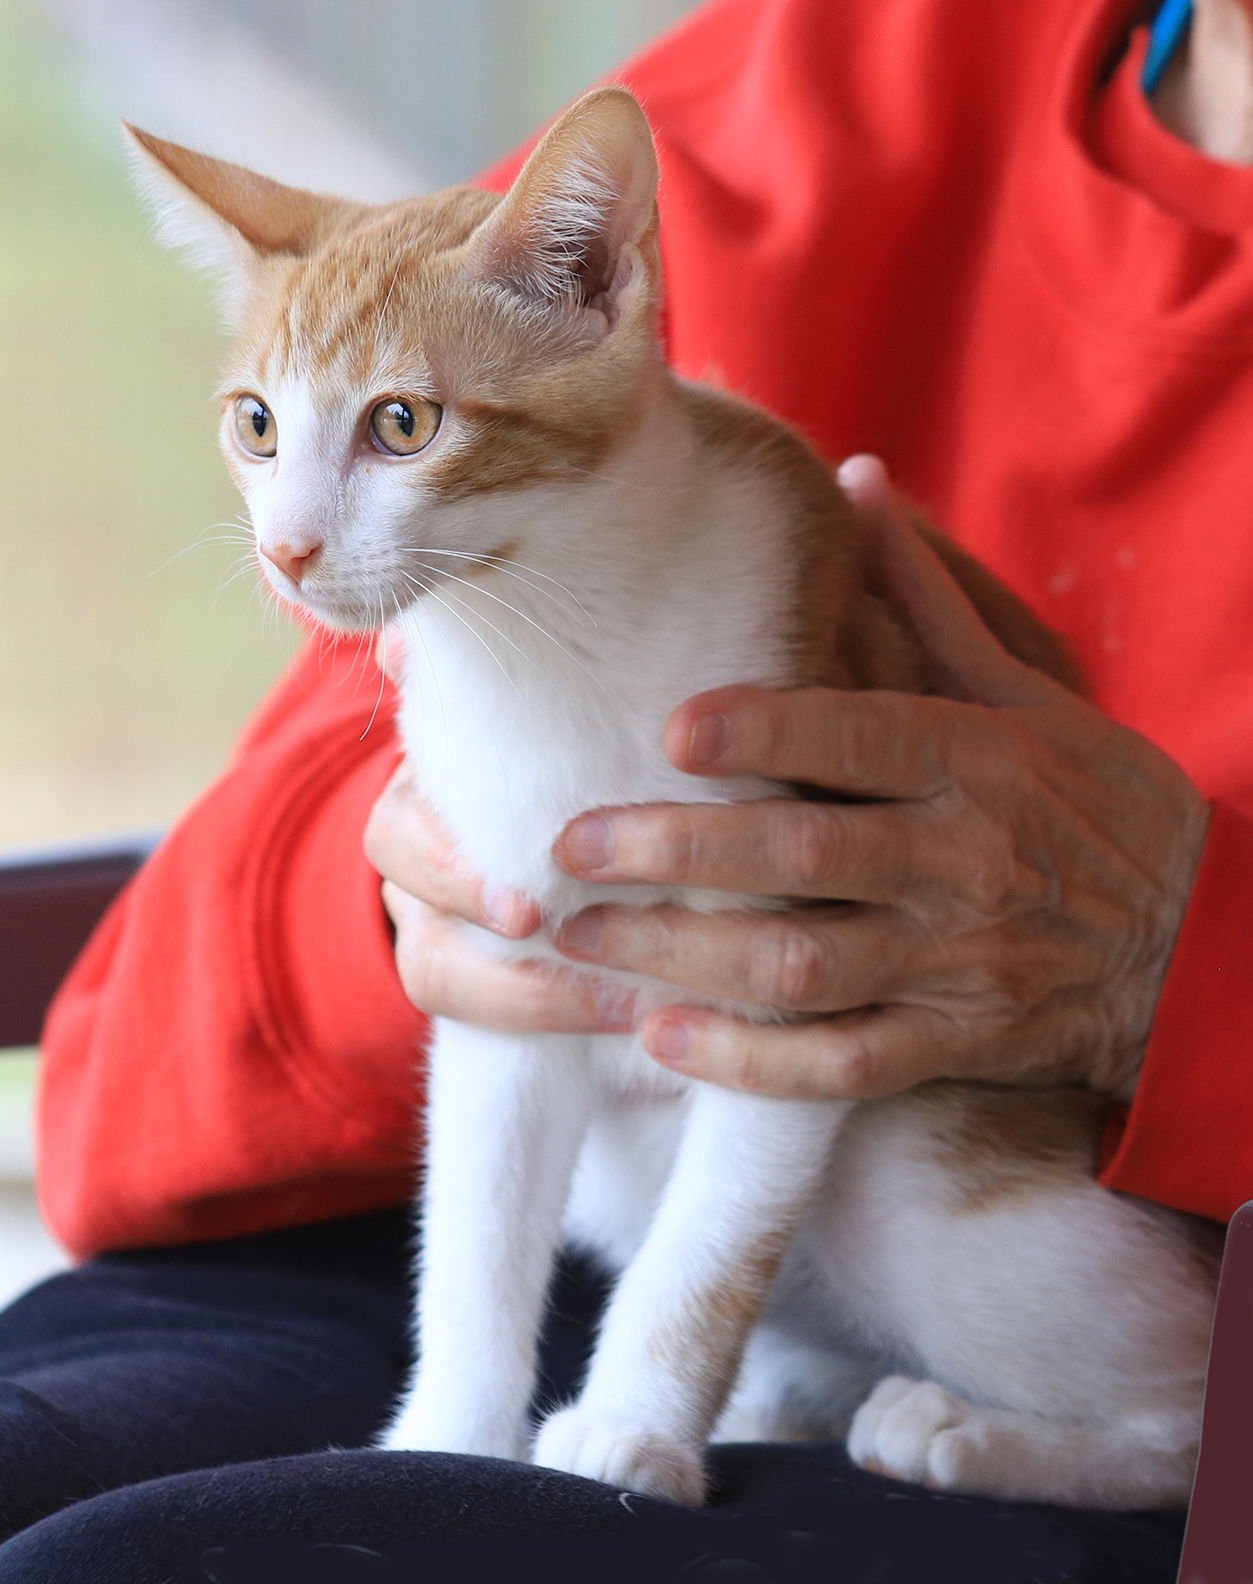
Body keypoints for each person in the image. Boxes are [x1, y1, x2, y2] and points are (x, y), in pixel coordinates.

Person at [3, 0, 1251, 1577]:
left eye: (391, 429)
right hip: (536, 1200)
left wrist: (1184, 971)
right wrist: (402, 890)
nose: (288, 536)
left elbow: (798, 1022)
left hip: (983, 1224)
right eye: (255, 434)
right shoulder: (813, 73)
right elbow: (152, 1056)